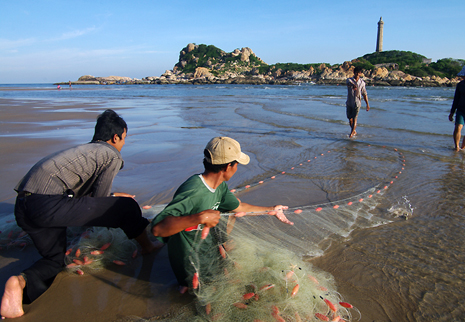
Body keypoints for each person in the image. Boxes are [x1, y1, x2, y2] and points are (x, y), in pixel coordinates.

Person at [0, 109, 162, 319]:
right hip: (48, 205)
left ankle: (19, 283)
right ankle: (148, 246)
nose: (122, 144)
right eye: (124, 139)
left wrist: (111, 195)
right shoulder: (110, 154)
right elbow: (100, 199)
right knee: (127, 207)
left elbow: (81, 195)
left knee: (53, 260)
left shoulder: (83, 151)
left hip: (24, 205)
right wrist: (118, 199)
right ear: (115, 137)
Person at [151, 136, 293, 292]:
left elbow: (239, 207)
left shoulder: (220, 187)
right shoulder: (194, 190)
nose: (237, 168)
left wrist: (272, 209)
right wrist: (199, 217)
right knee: (204, 293)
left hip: (208, 250)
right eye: (237, 164)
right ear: (228, 167)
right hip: (190, 262)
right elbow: (158, 229)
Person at [346, 66, 370, 138]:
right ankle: (354, 130)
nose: (357, 74)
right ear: (354, 73)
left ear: (360, 74)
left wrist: (367, 104)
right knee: (349, 118)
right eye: (356, 73)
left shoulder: (362, 83)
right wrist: (353, 85)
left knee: (355, 118)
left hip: (357, 103)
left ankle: (351, 133)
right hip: (349, 102)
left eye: (358, 73)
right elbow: (348, 83)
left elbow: (364, 94)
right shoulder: (349, 80)